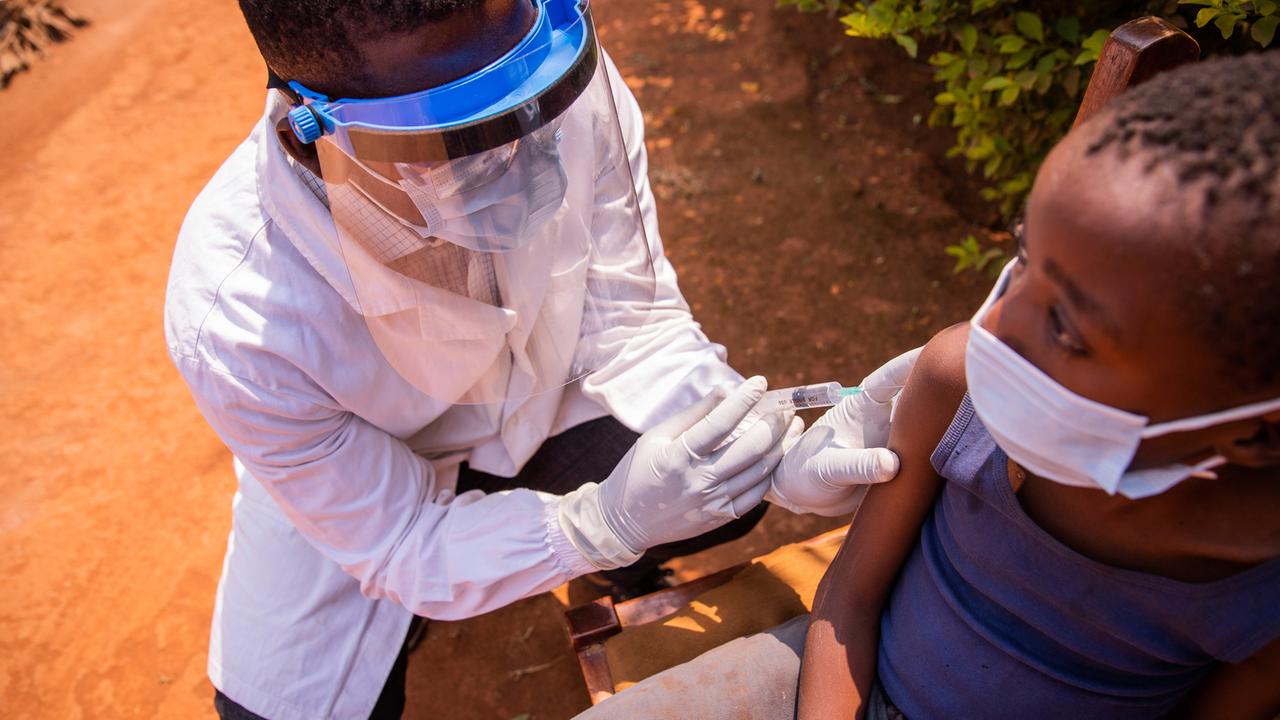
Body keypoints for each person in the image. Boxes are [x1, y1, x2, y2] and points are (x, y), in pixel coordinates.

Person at [163, 1, 916, 718]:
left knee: (729, 482)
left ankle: (611, 565)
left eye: (529, 102)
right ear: (308, 131)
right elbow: (395, 541)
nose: (521, 149)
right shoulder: (238, 319)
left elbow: (638, 322)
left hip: (544, 398)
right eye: (453, 140)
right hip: (370, 473)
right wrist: (601, 522)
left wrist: (777, 454)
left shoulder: (552, 78)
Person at [798, 52, 1280, 719]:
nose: (995, 323)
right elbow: (849, 597)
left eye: (1070, 331)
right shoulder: (955, 381)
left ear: (1254, 430)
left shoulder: (1264, 585)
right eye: (1024, 257)